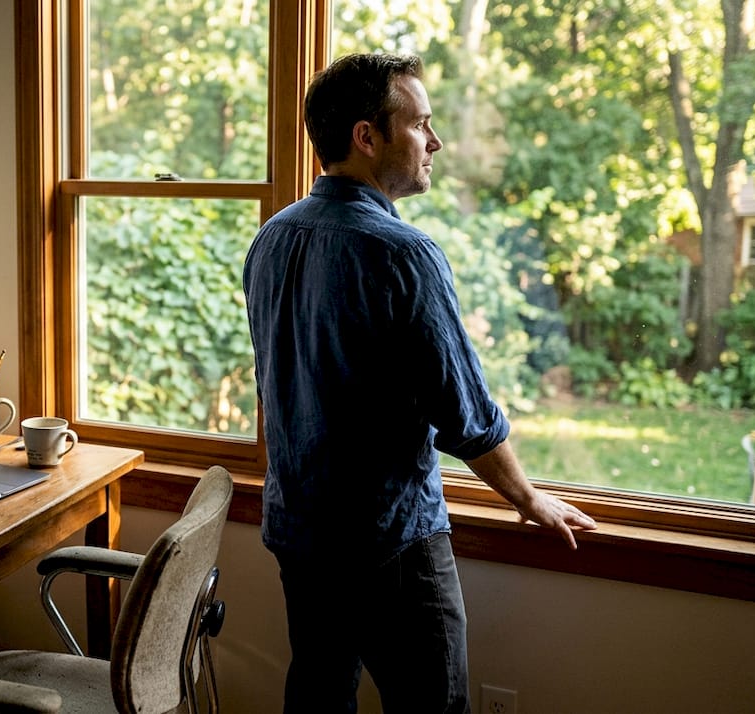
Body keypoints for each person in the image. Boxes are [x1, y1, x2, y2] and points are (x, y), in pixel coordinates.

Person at [242, 52, 598, 713]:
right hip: (388, 539)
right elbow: (463, 412)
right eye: (421, 125)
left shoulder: (271, 239)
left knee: (319, 698)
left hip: (299, 532)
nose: (434, 142)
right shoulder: (403, 253)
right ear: (366, 136)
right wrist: (529, 499)